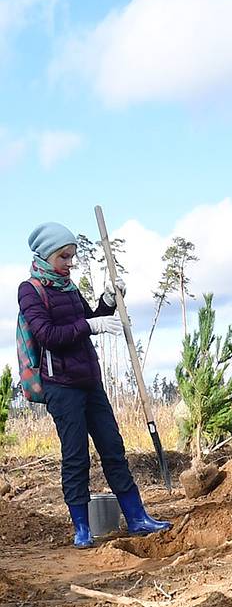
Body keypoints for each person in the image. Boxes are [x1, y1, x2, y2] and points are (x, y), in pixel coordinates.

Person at [16, 222, 170, 548]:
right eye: (64, 257)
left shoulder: (69, 287)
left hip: (90, 382)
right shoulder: (30, 289)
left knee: (113, 449)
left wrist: (107, 302)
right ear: (46, 254)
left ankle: (138, 517)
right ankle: (82, 529)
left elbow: (90, 318)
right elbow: (48, 335)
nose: (70, 263)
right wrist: (93, 324)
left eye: (72, 256)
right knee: (76, 457)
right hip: (61, 386)